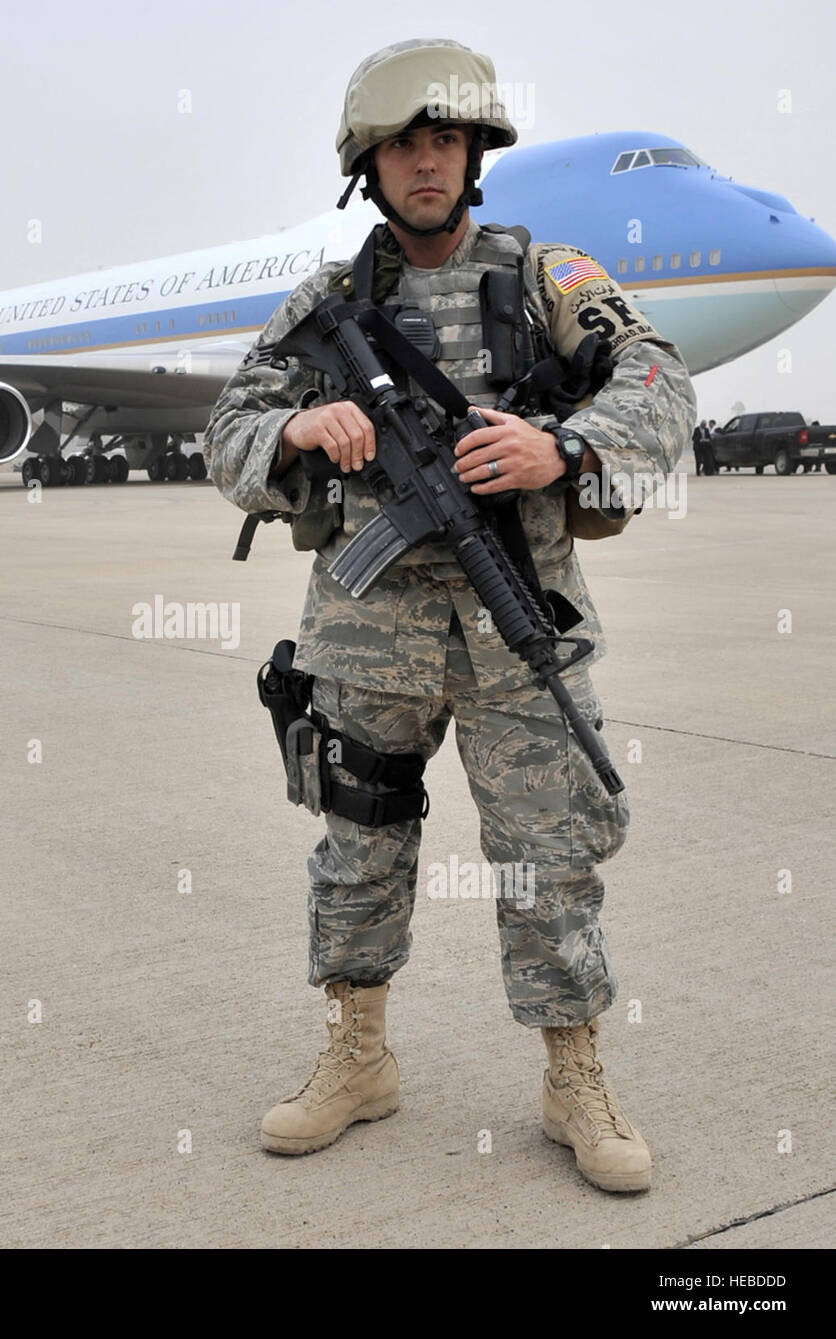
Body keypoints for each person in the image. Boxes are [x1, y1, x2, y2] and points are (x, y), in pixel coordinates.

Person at [203, 38, 696, 1194]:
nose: (425, 162)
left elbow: (659, 380)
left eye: (445, 141)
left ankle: (572, 1073)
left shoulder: (547, 278)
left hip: (521, 623)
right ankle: (360, 1055)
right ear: (365, 167)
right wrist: (292, 432)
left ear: (474, 156)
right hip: (367, 632)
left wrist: (560, 445)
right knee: (358, 849)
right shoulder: (324, 304)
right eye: (401, 145)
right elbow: (225, 431)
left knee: (549, 858)